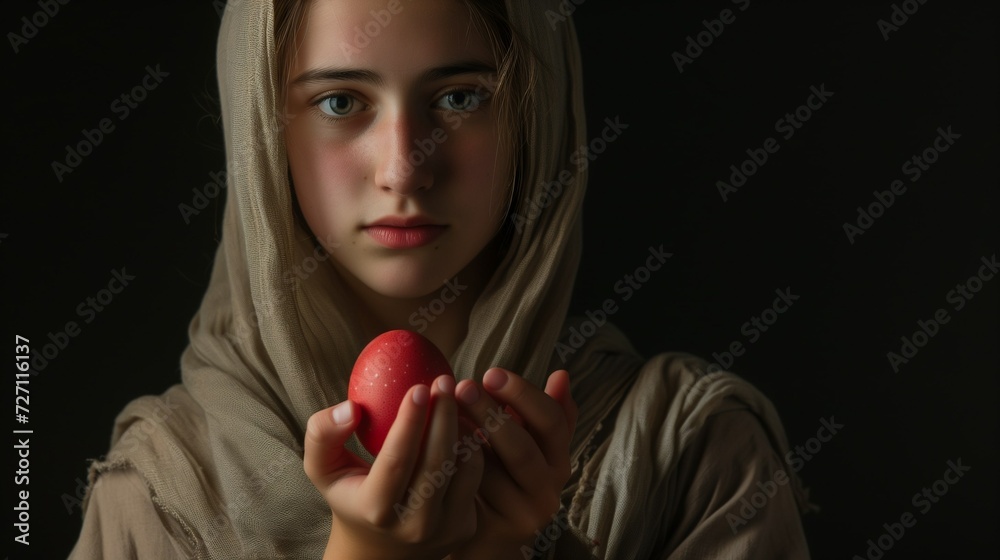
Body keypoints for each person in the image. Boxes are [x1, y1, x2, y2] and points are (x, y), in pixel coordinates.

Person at [67, 0, 813, 558]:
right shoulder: (159, 500)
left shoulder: (691, 461)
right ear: (265, 132)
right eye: (339, 102)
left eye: (460, 97)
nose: (404, 168)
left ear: (536, 119)